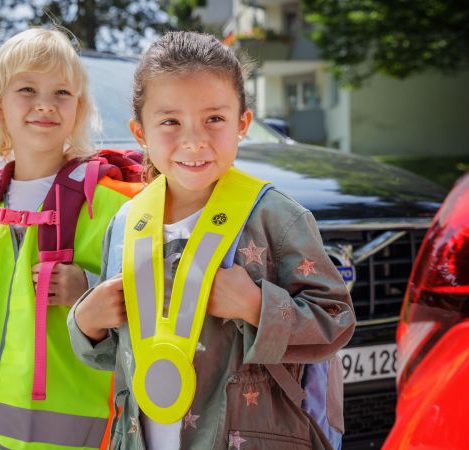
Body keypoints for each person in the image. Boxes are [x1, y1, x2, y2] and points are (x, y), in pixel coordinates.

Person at [68, 31, 355, 449]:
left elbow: (336, 322)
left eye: (214, 119)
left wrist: (257, 306)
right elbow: (121, 354)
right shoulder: (127, 223)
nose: (194, 140)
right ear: (139, 133)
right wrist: (86, 323)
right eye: (170, 122)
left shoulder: (275, 216)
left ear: (243, 124)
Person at [0, 27, 142, 450]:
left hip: (83, 429)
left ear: (79, 108)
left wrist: (86, 290)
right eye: (28, 89)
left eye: (62, 93)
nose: (45, 105)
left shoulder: (109, 207)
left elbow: (149, 302)